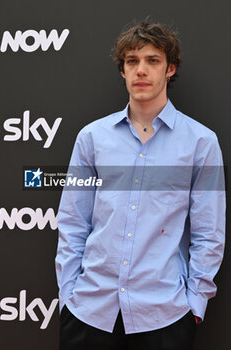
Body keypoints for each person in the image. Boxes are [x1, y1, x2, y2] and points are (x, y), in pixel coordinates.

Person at [55, 19, 226, 350]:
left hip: (165, 316)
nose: (141, 70)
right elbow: (73, 222)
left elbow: (209, 234)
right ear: (123, 71)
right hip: (89, 312)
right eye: (132, 61)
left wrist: (195, 305)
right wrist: (68, 297)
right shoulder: (92, 138)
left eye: (153, 60)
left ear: (170, 69)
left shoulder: (201, 143)